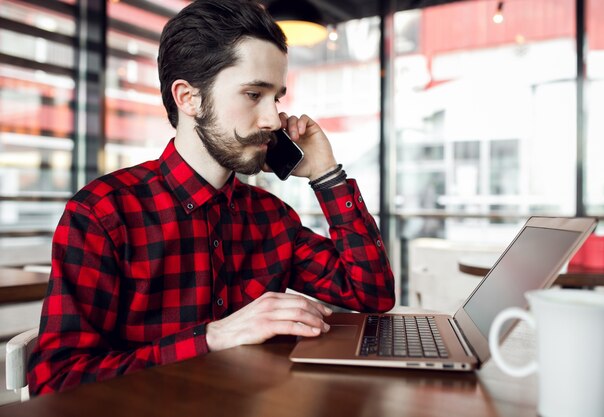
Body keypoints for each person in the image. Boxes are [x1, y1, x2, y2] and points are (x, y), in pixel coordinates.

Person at [28, 0, 395, 395]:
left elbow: (371, 293)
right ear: (188, 98)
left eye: (276, 98)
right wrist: (213, 338)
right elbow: (56, 382)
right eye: (254, 94)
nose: (273, 119)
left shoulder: (271, 217)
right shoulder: (103, 213)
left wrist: (327, 175)